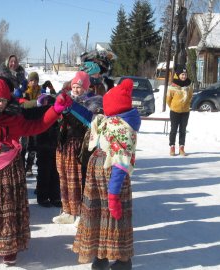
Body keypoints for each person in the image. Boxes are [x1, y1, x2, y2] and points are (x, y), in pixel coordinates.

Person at [0, 78, 72, 264]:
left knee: (10, 211)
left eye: (3, 100)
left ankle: (9, 248)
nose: (0, 104)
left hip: (11, 172)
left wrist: (55, 111)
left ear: (8, 100)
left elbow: (36, 126)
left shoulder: (15, 118)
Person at [72, 79, 141, 270]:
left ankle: (122, 260)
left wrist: (113, 194)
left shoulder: (122, 130)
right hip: (98, 178)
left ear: (115, 107)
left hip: (112, 179)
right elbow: (89, 118)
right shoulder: (109, 121)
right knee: (98, 216)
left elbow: (120, 163)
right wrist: (70, 106)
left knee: (114, 219)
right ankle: (101, 255)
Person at [53, 71, 94, 225]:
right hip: (63, 145)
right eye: (74, 86)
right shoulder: (66, 99)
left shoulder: (91, 101)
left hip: (78, 145)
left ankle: (80, 213)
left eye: (79, 87)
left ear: (86, 88)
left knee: (77, 179)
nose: (76, 89)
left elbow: (90, 120)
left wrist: (71, 107)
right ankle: (67, 210)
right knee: (63, 178)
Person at [34, 95, 62, 207]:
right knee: (44, 173)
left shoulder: (58, 118)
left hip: (55, 147)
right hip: (43, 147)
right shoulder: (41, 117)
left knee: (55, 173)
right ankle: (43, 197)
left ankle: (55, 196)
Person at [166, 64, 193, 156]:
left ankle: (182, 148)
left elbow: (190, 97)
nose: (184, 76)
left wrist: (187, 105)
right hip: (174, 111)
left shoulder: (189, 85)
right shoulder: (173, 86)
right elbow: (168, 99)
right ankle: (172, 147)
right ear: (178, 75)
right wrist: (174, 106)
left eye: (185, 75)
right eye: (182, 74)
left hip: (185, 112)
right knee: (173, 129)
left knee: (183, 130)